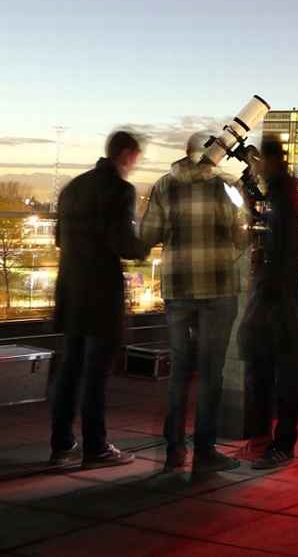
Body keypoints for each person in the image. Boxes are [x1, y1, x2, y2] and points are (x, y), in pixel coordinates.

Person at [141, 131, 248, 474]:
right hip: (218, 288)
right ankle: (204, 450)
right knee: (211, 373)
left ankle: (174, 451)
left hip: (178, 290)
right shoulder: (228, 185)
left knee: (179, 373)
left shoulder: (162, 185)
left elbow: (148, 234)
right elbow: (242, 233)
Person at [48, 130, 146, 469]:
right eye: (136, 157)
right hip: (101, 291)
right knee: (96, 372)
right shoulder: (121, 190)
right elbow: (124, 243)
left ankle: (61, 444)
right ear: (126, 154)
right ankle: (96, 446)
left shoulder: (73, 187)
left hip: (71, 287)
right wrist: (147, 243)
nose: (136, 163)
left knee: (70, 368)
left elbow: (60, 238)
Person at [243, 138, 298, 469]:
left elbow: (281, 246)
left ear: (268, 160)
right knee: (269, 368)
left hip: (277, 296)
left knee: (275, 369)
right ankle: (266, 439)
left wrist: (267, 286)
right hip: (278, 294)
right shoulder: (283, 192)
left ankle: (279, 443)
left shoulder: (281, 196)